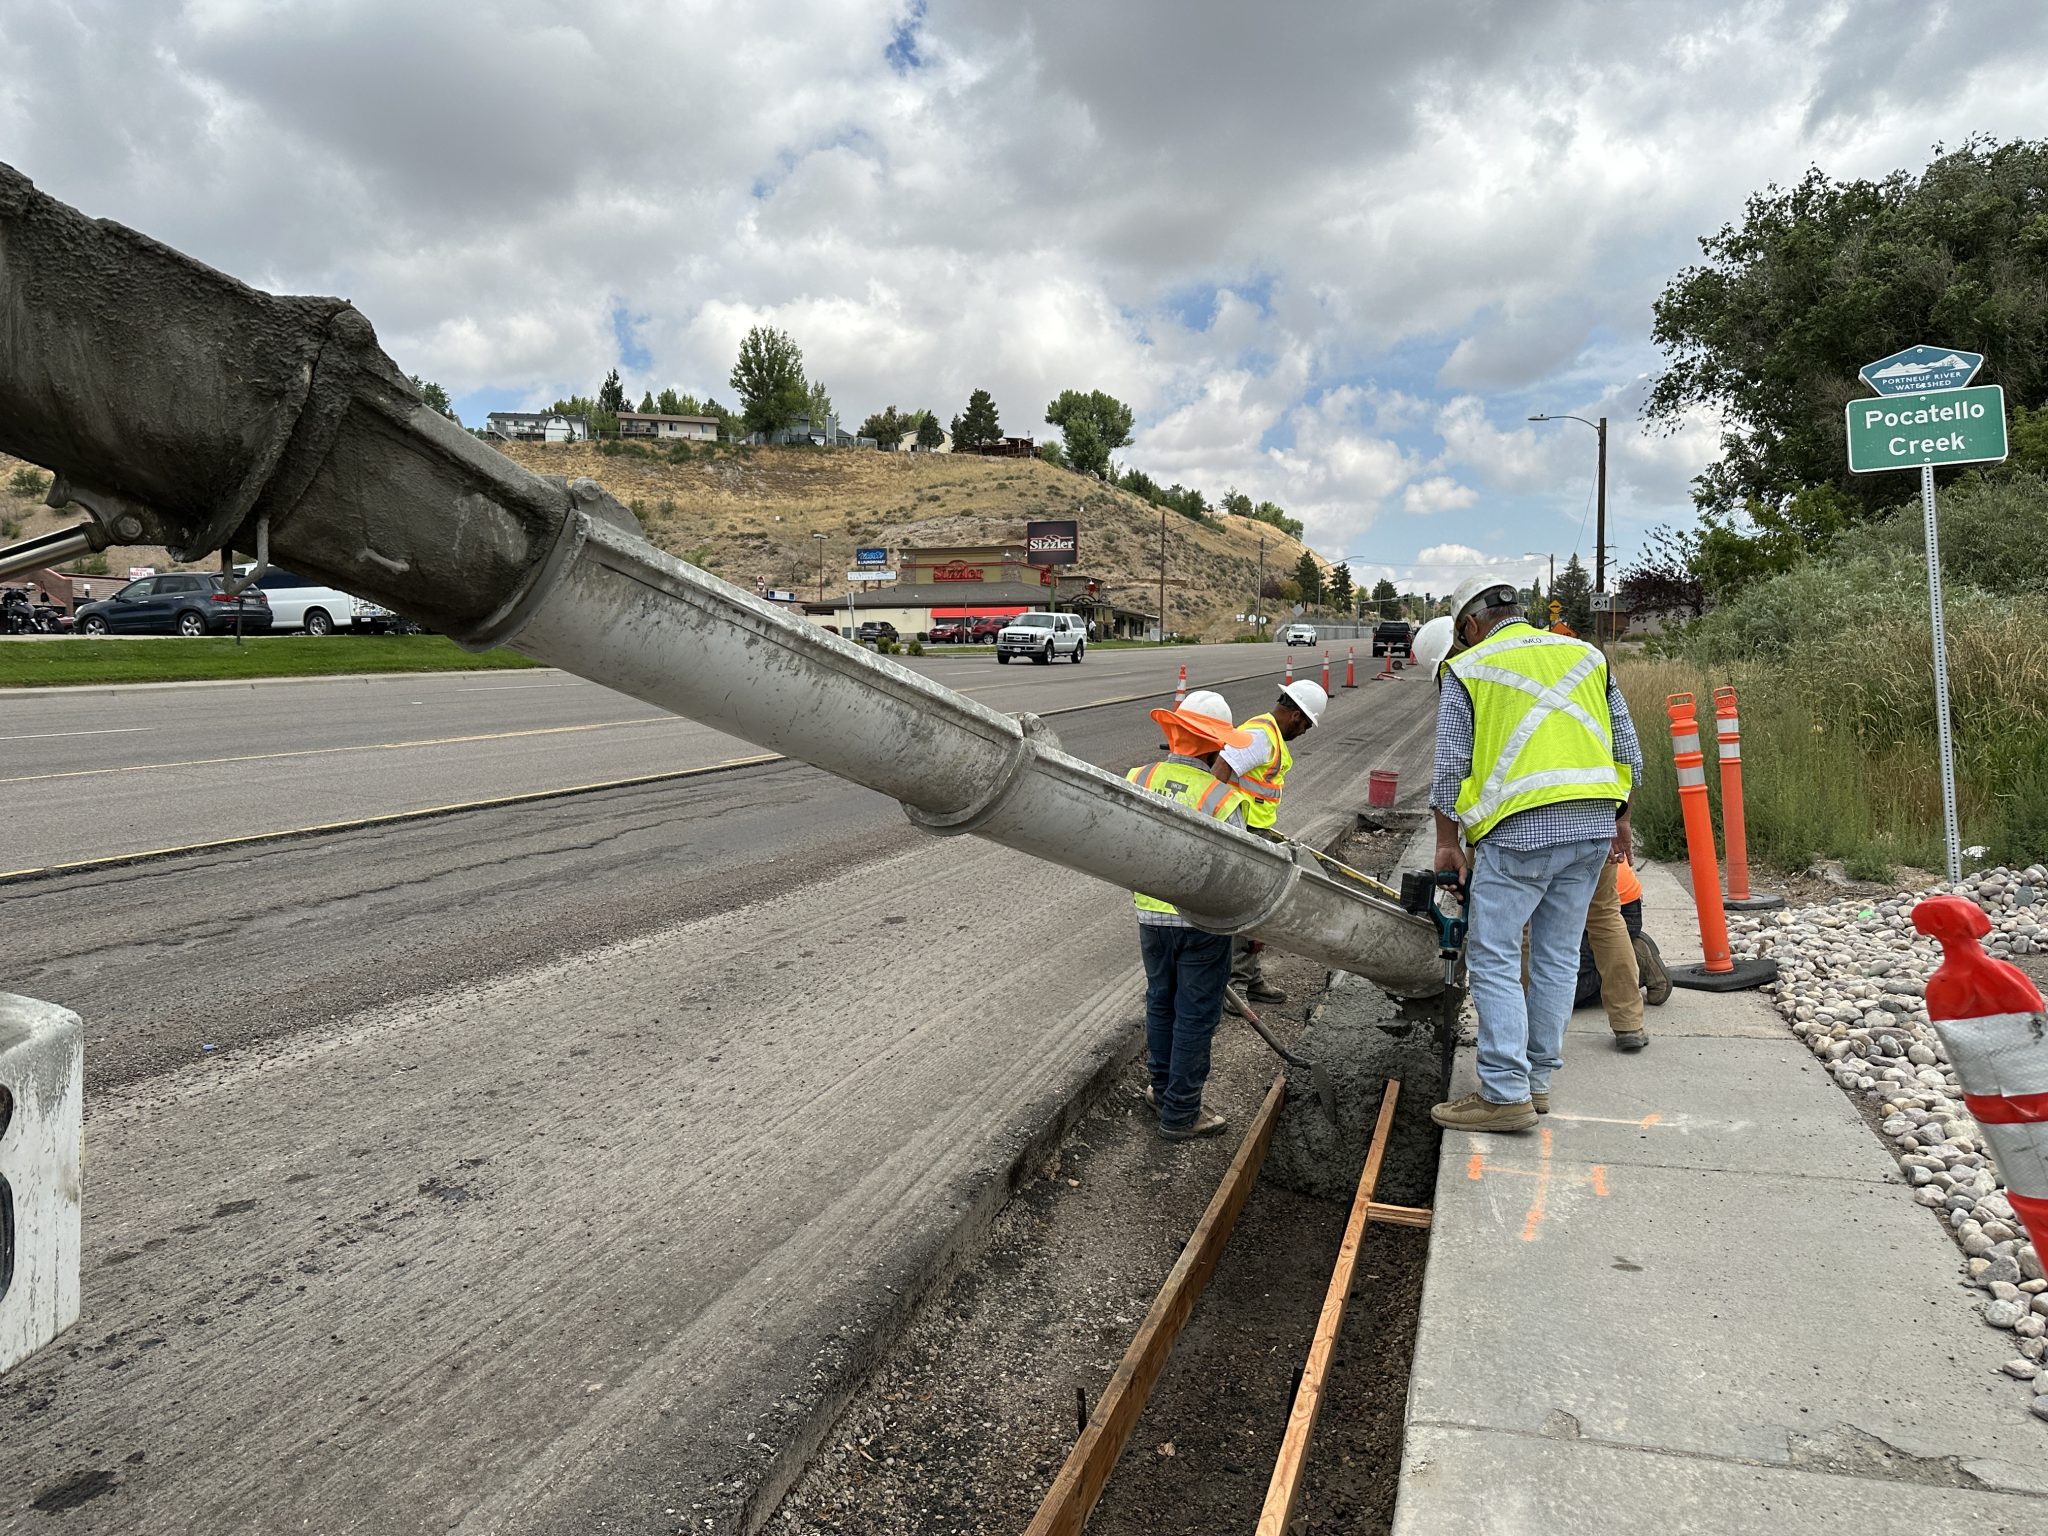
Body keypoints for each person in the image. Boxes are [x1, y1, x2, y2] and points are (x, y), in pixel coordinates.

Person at [1426, 574, 1644, 1133]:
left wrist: (1448, 842)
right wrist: (1620, 818)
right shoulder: (1586, 655)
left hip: (1519, 834)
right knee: (1558, 956)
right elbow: (1627, 749)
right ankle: (1537, 1082)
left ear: (1469, 625)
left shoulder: (1466, 668)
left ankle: (1503, 1092)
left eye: (1461, 634)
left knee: (1496, 956)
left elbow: (1451, 766)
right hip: (1591, 828)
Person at [1127, 690, 1254, 1141]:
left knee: (1161, 1003)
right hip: (1202, 923)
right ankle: (1181, 1113)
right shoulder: (1223, 799)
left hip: (1150, 916)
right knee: (1196, 1015)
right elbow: (1239, 874)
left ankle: (1162, 1093)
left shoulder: (1138, 777)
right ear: (1216, 744)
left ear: (1176, 733)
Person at [1216, 679, 1329, 1010]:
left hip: (1258, 830)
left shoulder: (1269, 735)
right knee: (1246, 907)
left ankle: (1249, 978)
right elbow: (1220, 771)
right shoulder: (1261, 735)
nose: (1305, 732)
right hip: (1243, 831)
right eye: (1306, 725)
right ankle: (1236, 984)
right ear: (1295, 716)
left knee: (1261, 909)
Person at [1576, 858, 1672, 1018]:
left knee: (1552, 993)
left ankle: (1634, 965)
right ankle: (1626, 956)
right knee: (1549, 986)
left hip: (1606, 907)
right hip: (1621, 903)